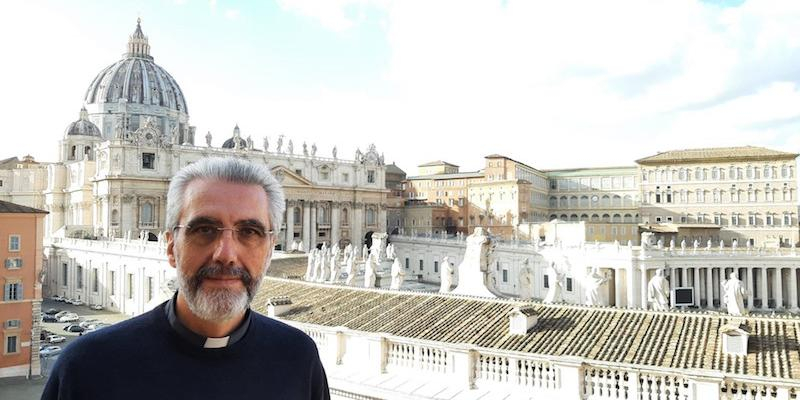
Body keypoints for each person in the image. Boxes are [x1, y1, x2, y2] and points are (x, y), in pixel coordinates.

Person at [42, 157, 330, 399]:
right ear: (170, 247)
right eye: (205, 229)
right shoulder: (85, 368)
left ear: (269, 250)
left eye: (249, 232)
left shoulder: (299, 359)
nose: (226, 254)